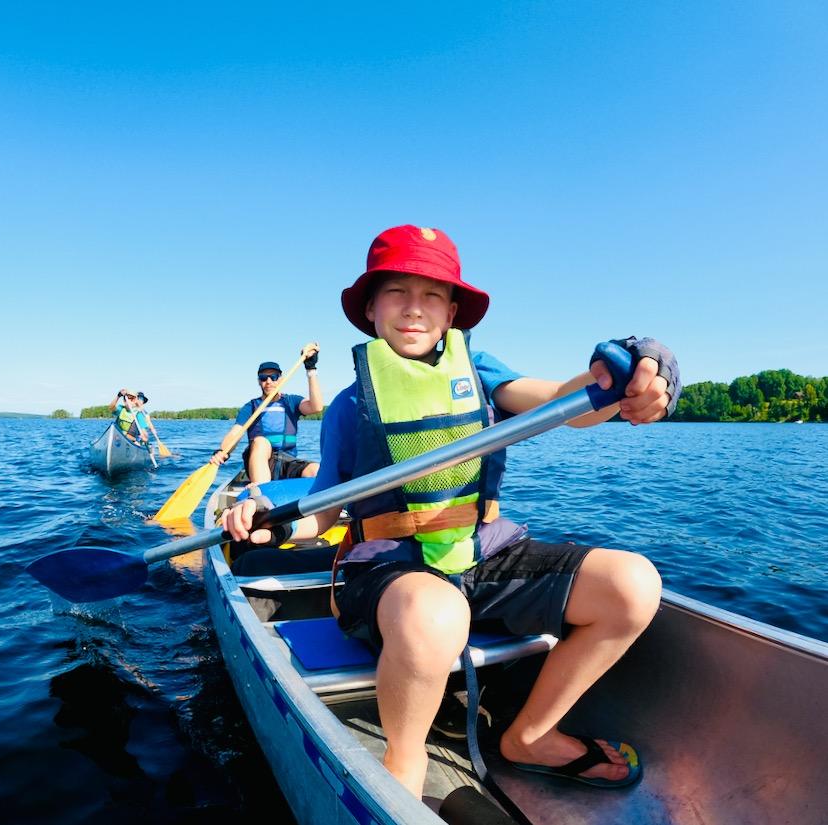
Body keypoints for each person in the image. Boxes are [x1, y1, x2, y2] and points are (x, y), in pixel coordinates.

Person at [221, 225, 680, 799]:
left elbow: (568, 403)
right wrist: (275, 523)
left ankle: (531, 736)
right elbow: (327, 509)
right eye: (396, 292)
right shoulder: (348, 405)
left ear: (453, 312)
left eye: (432, 295)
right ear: (370, 308)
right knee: (435, 612)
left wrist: (636, 365)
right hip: (388, 568)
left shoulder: (481, 373)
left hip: (481, 552)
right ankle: (404, 762)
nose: (414, 308)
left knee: (632, 585)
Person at [209, 346, 325, 483]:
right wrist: (223, 451)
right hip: (260, 461)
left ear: (280, 379)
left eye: (273, 377)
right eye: (263, 378)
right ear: (259, 381)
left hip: (287, 462)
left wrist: (311, 369)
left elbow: (316, 407)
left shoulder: (291, 402)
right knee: (261, 442)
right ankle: (261, 488)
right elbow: (235, 433)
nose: (268, 381)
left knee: (316, 470)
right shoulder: (251, 407)